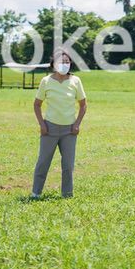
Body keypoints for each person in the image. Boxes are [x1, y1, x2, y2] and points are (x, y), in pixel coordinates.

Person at [31, 48, 87, 198]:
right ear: (54, 64)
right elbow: (37, 104)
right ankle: (36, 193)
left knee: (68, 165)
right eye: (62, 62)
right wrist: (42, 124)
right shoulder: (46, 81)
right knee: (43, 162)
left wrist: (77, 124)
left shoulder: (76, 81)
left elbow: (83, 104)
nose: (65, 64)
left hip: (69, 131)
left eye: (67, 62)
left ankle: (67, 194)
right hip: (49, 129)